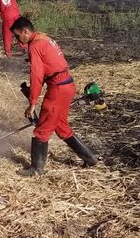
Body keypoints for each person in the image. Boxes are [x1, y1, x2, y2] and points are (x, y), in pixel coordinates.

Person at [10, 16, 97, 176]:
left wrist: (33, 102)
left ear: (25, 31)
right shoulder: (44, 38)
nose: (17, 40)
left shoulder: (35, 45)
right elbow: (49, 66)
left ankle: (37, 169)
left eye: (17, 36)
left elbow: (36, 75)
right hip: (67, 84)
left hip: (58, 89)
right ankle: (90, 159)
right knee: (61, 127)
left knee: (41, 131)